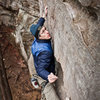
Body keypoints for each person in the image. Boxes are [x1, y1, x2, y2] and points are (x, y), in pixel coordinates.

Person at [30, 7, 58, 85]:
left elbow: (39, 26)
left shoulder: (36, 37)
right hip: (46, 67)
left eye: (45, 29)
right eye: (43, 32)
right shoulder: (46, 52)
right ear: (39, 36)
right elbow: (40, 69)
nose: (47, 32)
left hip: (37, 58)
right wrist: (48, 76)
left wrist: (43, 16)